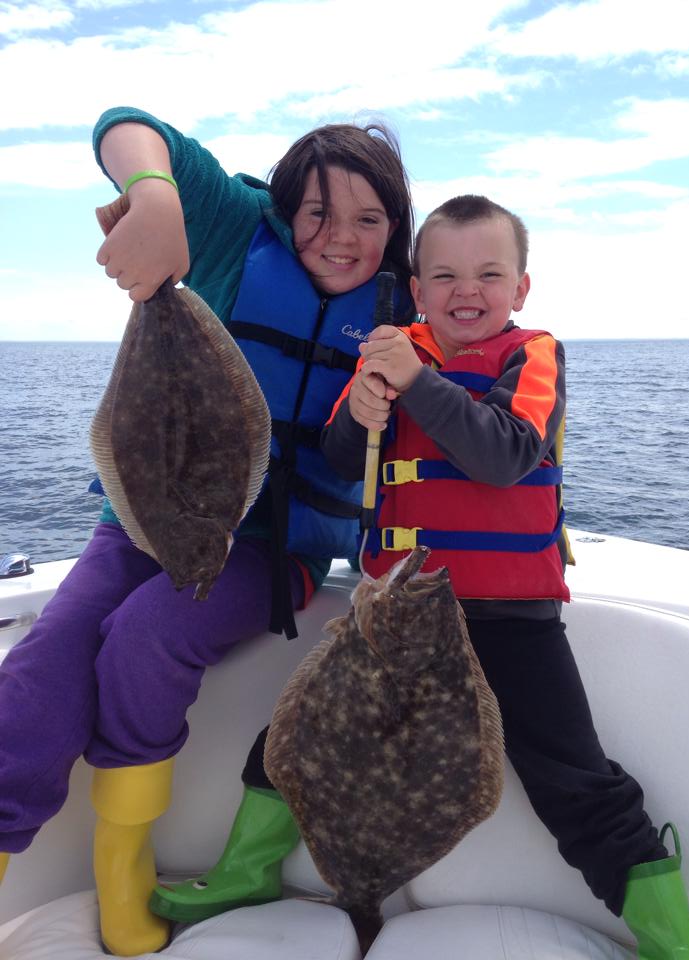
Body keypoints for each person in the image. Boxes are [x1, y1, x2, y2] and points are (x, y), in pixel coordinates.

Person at [0, 107, 414, 956]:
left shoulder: (406, 305)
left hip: (273, 549)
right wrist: (154, 195)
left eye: (369, 219)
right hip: (146, 519)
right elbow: (124, 127)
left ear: (397, 226)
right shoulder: (233, 234)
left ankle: (122, 857)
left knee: (149, 632)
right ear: (284, 211)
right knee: (47, 661)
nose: (341, 237)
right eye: (317, 213)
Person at [317, 194, 689, 959]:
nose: (467, 290)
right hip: (402, 611)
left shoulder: (534, 356)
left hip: (514, 618)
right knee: (309, 735)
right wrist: (358, 412)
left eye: (489, 274)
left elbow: (503, 455)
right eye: (444, 275)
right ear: (417, 289)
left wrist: (415, 382)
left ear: (521, 288)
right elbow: (338, 460)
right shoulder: (391, 354)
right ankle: (247, 869)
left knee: (577, 781)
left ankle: (672, 944)